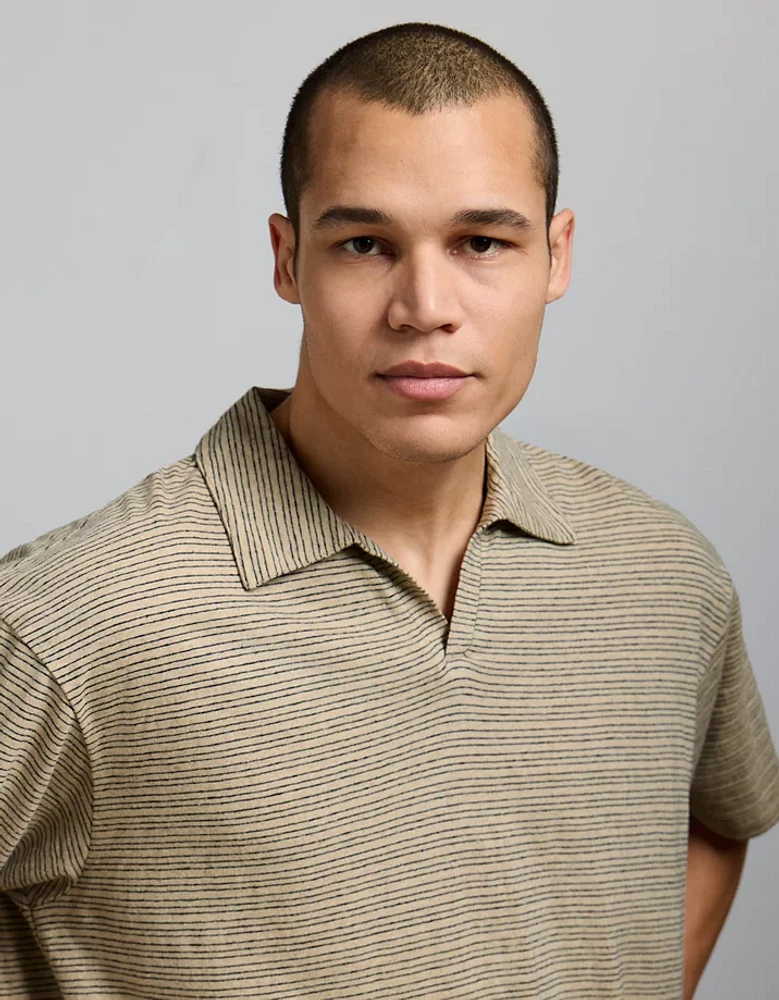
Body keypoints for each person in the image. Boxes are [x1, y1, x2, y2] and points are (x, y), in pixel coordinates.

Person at [1, 20, 777, 1000]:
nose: (423, 306)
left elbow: (719, 818)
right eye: (364, 244)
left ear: (555, 255)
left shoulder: (662, 574)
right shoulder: (68, 623)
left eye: (480, 242)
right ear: (288, 259)